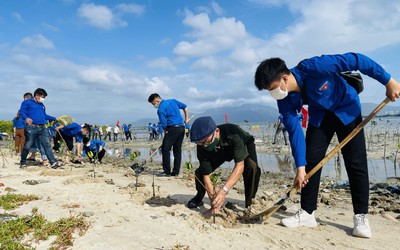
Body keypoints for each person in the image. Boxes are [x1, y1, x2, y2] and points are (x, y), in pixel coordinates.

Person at [254, 52, 400, 238]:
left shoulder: (315, 66)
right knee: (311, 161)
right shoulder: (284, 100)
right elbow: (294, 131)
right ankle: (307, 213)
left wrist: (388, 81)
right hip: (320, 117)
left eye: (272, 88)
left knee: (355, 163)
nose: (272, 93)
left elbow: (357, 60)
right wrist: (300, 168)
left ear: (284, 77)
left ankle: (361, 217)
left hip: (347, 109)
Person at [187, 116, 261, 212]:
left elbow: (240, 165)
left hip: (243, 145)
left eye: (207, 141)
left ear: (216, 131)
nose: (205, 145)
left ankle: (250, 201)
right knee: (200, 172)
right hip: (219, 151)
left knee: (252, 166)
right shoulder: (202, 146)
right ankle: (199, 197)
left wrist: (224, 190)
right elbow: (207, 176)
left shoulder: (233, 134)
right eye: (200, 143)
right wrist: (214, 204)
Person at [19, 88, 62, 169]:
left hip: (42, 128)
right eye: (42, 97)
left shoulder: (41, 105)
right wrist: (26, 118)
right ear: (36, 95)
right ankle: (23, 162)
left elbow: (44, 115)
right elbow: (22, 112)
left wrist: (55, 118)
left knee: (47, 145)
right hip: (31, 127)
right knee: (28, 145)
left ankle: (53, 162)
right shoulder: (27, 102)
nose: (43, 99)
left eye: (44, 97)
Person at [148, 93, 189, 176]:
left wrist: (161, 131)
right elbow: (185, 107)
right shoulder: (173, 101)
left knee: (165, 149)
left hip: (173, 129)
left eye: (153, 104)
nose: (154, 106)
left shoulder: (160, 110)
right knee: (177, 150)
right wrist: (186, 119)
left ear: (157, 100)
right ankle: (175, 172)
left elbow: (163, 124)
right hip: (181, 128)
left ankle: (167, 172)